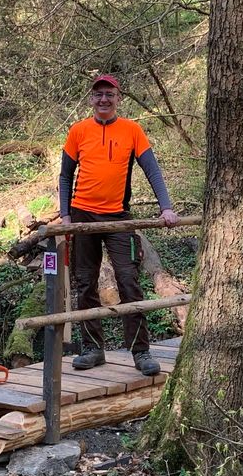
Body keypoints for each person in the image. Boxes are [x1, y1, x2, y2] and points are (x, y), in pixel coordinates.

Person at [59, 74, 179, 377]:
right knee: (85, 282)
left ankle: (140, 351)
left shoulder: (132, 130)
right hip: (83, 215)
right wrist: (66, 216)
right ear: (91, 99)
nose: (103, 99)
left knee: (128, 280)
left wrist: (166, 207)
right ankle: (92, 348)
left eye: (109, 94)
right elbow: (65, 176)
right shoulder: (78, 131)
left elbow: (152, 169)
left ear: (118, 98)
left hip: (118, 216)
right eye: (98, 94)